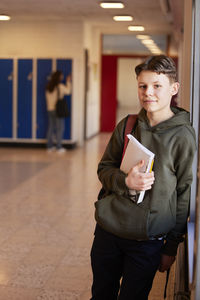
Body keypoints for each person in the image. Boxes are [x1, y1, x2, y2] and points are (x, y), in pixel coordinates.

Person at [90, 55, 196, 300]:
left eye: (157, 86)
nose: (149, 92)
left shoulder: (183, 136)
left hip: (148, 240)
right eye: (143, 86)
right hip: (109, 231)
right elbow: (104, 168)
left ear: (174, 88)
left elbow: (184, 195)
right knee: (101, 294)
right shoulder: (128, 125)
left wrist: (170, 247)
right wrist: (125, 181)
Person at [45, 70, 71, 153]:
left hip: (49, 109)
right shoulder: (60, 86)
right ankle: (59, 147)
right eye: (61, 75)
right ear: (59, 77)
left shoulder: (48, 86)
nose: (62, 77)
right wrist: (68, 81)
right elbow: (68, 91)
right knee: (60, 128)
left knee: (51, 127)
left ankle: (49, 146)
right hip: (58, 110)